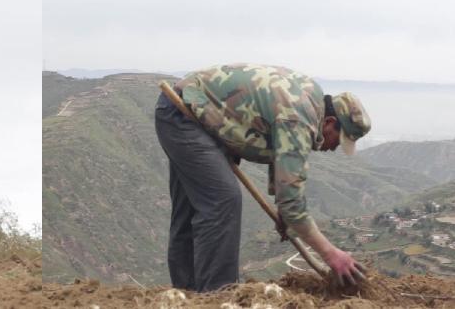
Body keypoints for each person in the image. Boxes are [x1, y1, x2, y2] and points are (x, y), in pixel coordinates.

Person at [155, 63, 370, 292]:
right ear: (330, 123)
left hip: (187, 110)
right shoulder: (299, 118)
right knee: (224, 200)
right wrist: (332, 255)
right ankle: (217, 296)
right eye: (338, 140)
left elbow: (278, 149)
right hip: (185, 113)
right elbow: (292, 203)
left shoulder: (311, 99)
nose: (333, 147)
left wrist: (283, 209)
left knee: (190, 209)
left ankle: (184, 295)